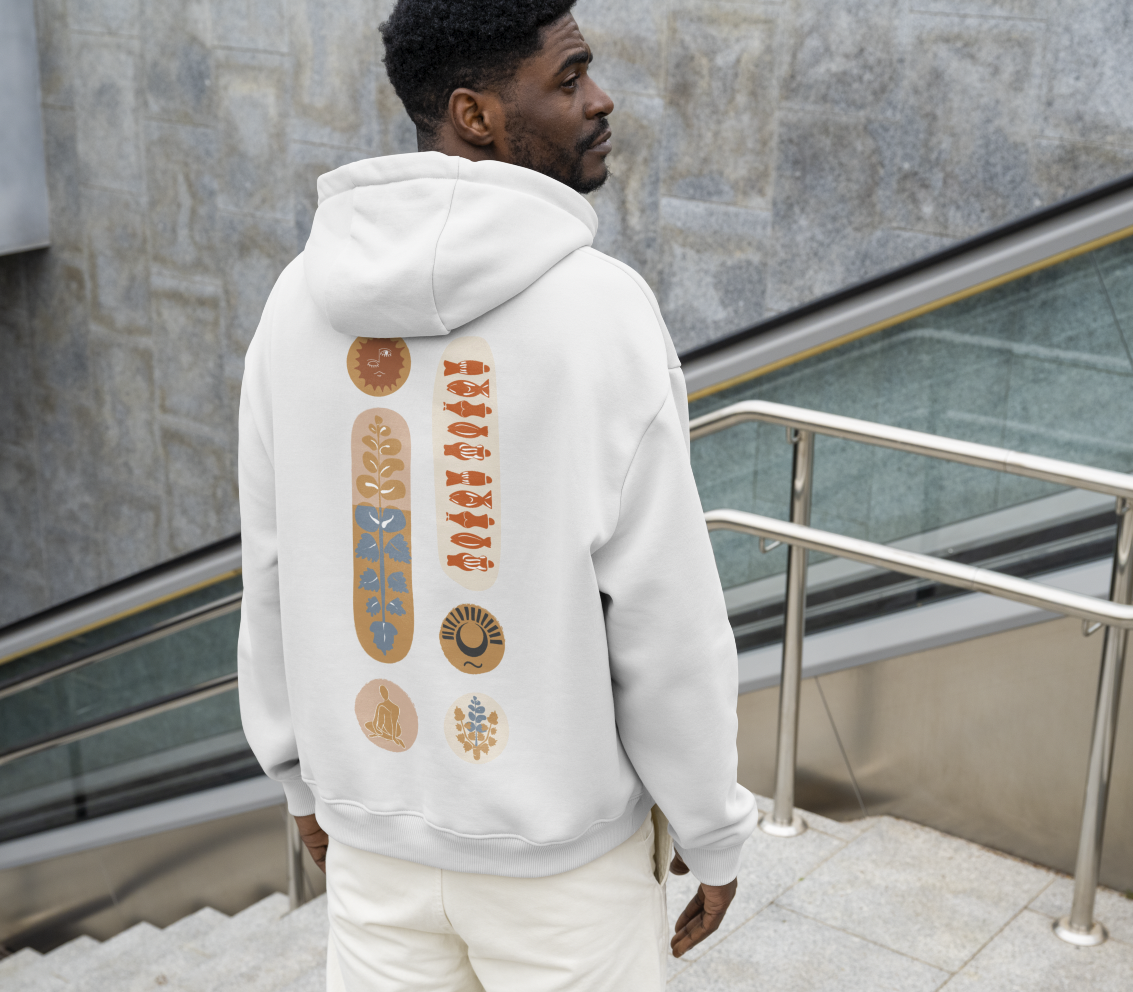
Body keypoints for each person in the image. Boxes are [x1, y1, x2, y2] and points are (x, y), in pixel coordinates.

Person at [236, 1, 757, 987]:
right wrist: (711, 824)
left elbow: (270, 566)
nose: (601, 100)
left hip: (373, 844)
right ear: (475, 116)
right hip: (562, 871)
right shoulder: (601, 311)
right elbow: (662, 610)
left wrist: (297, 774)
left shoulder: (297, 303)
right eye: (568, 78)